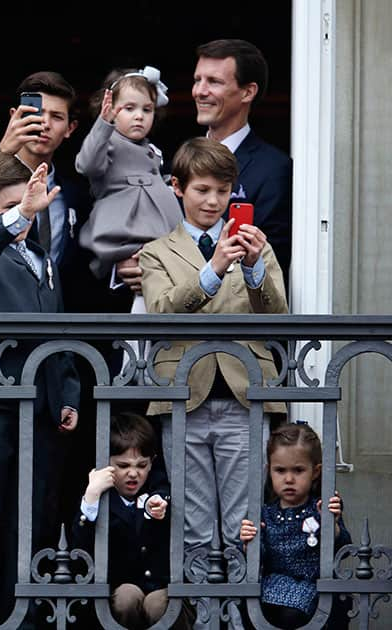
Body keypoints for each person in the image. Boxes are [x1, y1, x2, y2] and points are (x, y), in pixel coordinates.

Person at [140, 137, 287, 628]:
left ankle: (242, 619)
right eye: (202, 189)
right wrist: (213, 268)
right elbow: (161, 312)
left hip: (246, 396)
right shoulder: (156, 252)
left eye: (223, 191)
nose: (213, 202)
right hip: (184, 398)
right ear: (177, 187)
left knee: (243, 523)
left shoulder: (255, 244)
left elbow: (278, 314)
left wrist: (250, 267)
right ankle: (204, 618)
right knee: (194, 523)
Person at [0, 152, 80, 626]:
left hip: (41, 404)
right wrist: (18, 216)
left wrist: (68, 394)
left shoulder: (45, 259)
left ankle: (21, 615)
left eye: (31, 204)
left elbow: (59, 331)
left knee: (33, 510)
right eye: (11, 205)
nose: (27, 212)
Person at [0, 71, 101, 312]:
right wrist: (1, 153)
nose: (44, 123)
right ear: (14, 117)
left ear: (70, 128)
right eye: (36, 113)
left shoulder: (76, 193)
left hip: (61, 330)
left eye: (57, 116)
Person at [69, 412, 191, 630]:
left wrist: (161, 506)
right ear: (106, 463)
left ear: (152, 463)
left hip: (160, 588)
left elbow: (164, 498)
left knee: (158, 604)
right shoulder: (100, 497)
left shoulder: (160, 489)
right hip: (116, 597)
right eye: (123, 466)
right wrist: (91, 498)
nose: (133, 474)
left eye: (142, 465)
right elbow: (80, 552)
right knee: (127, 596)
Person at [192, 39, 293, 277]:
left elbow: (270, 262)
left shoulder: (274, 169)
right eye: (198, 80)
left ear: (248, 92)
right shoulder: (177, 160)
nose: (200, 91)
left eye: (214, 82)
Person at [75, 66, 181, 288]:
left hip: (157, 243)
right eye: (129, 108)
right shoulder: (106, 142)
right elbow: (87, 164)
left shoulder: (153, 150)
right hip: (121, 237)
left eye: (147, 109)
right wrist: (102, 126)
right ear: (111, 110)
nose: (139, 116)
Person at [240, 422, 351, 629]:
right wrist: (249, 544)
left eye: (298, 470)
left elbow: (343, 549)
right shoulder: (265, 513)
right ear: (269, 471)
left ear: (315, 472)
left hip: (314, 586)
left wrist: (332, 524)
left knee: (294, 613)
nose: (289, 479)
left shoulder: (321, 508)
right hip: (272, 585)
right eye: (280, 470)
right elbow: (257, 559)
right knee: (250, 607)